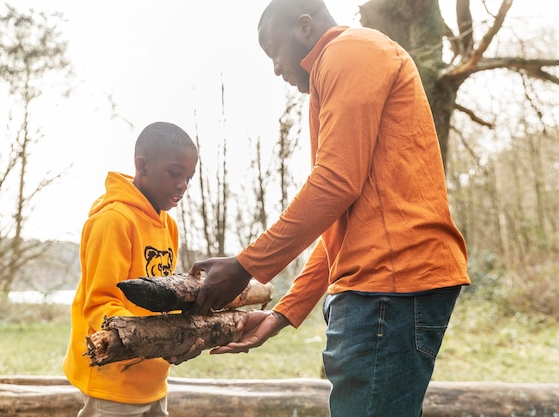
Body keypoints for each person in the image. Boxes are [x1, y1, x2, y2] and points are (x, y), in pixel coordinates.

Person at [188, 1, 471, 416]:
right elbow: (343, 219)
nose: (276, 68)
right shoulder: (339, 69)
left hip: (389, 289)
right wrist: (285, 311)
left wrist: (246, 266)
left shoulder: (349, 52)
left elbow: (335, 183)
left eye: (274, 51)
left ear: (305, 27)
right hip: (384, 286)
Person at [63, 121, 198, 417]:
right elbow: (100, 304)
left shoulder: (169, 225)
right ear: (143, 166)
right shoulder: (113, 220)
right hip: (113, 374)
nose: (183, 185)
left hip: (154, 374)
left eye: (189, 177)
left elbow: (165, 295)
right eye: (175, 173)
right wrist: (154, 338)